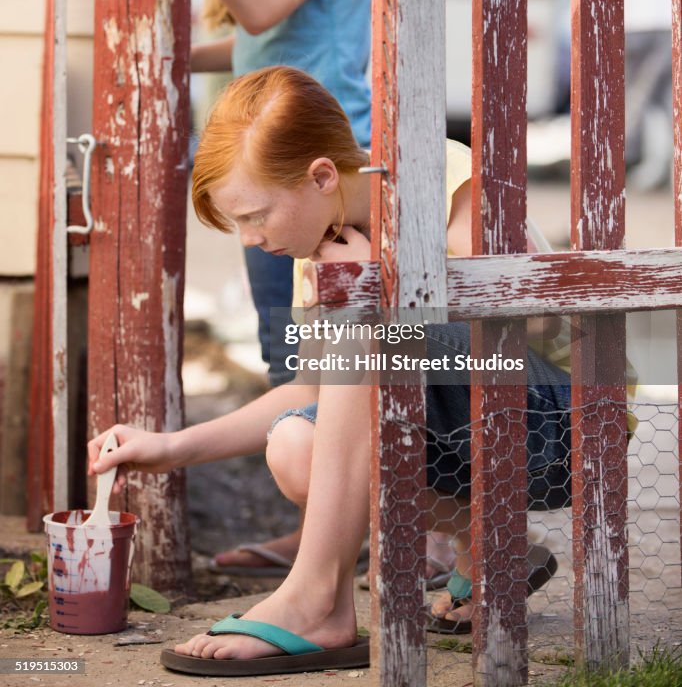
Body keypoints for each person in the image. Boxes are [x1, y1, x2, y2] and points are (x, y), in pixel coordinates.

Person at [89, 66, 574, 676]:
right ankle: (491, 541)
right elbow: (312, 389)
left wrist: (383, 295)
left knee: (362, 326)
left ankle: (317, 601)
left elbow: (533, 322)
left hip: (554, 422)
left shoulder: (443, 180)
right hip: (457, 434)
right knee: (295, 443)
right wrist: (172, 447)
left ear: (321, 176)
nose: (248, 238)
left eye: (255, 215)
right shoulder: (323, 243)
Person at [189, 0, 371, 575]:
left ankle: (346, 540)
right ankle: (319, 531)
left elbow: (261, 11)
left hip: (320, 170)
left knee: (332, 366)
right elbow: (245, 45)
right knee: (285, 353)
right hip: (268, 175)